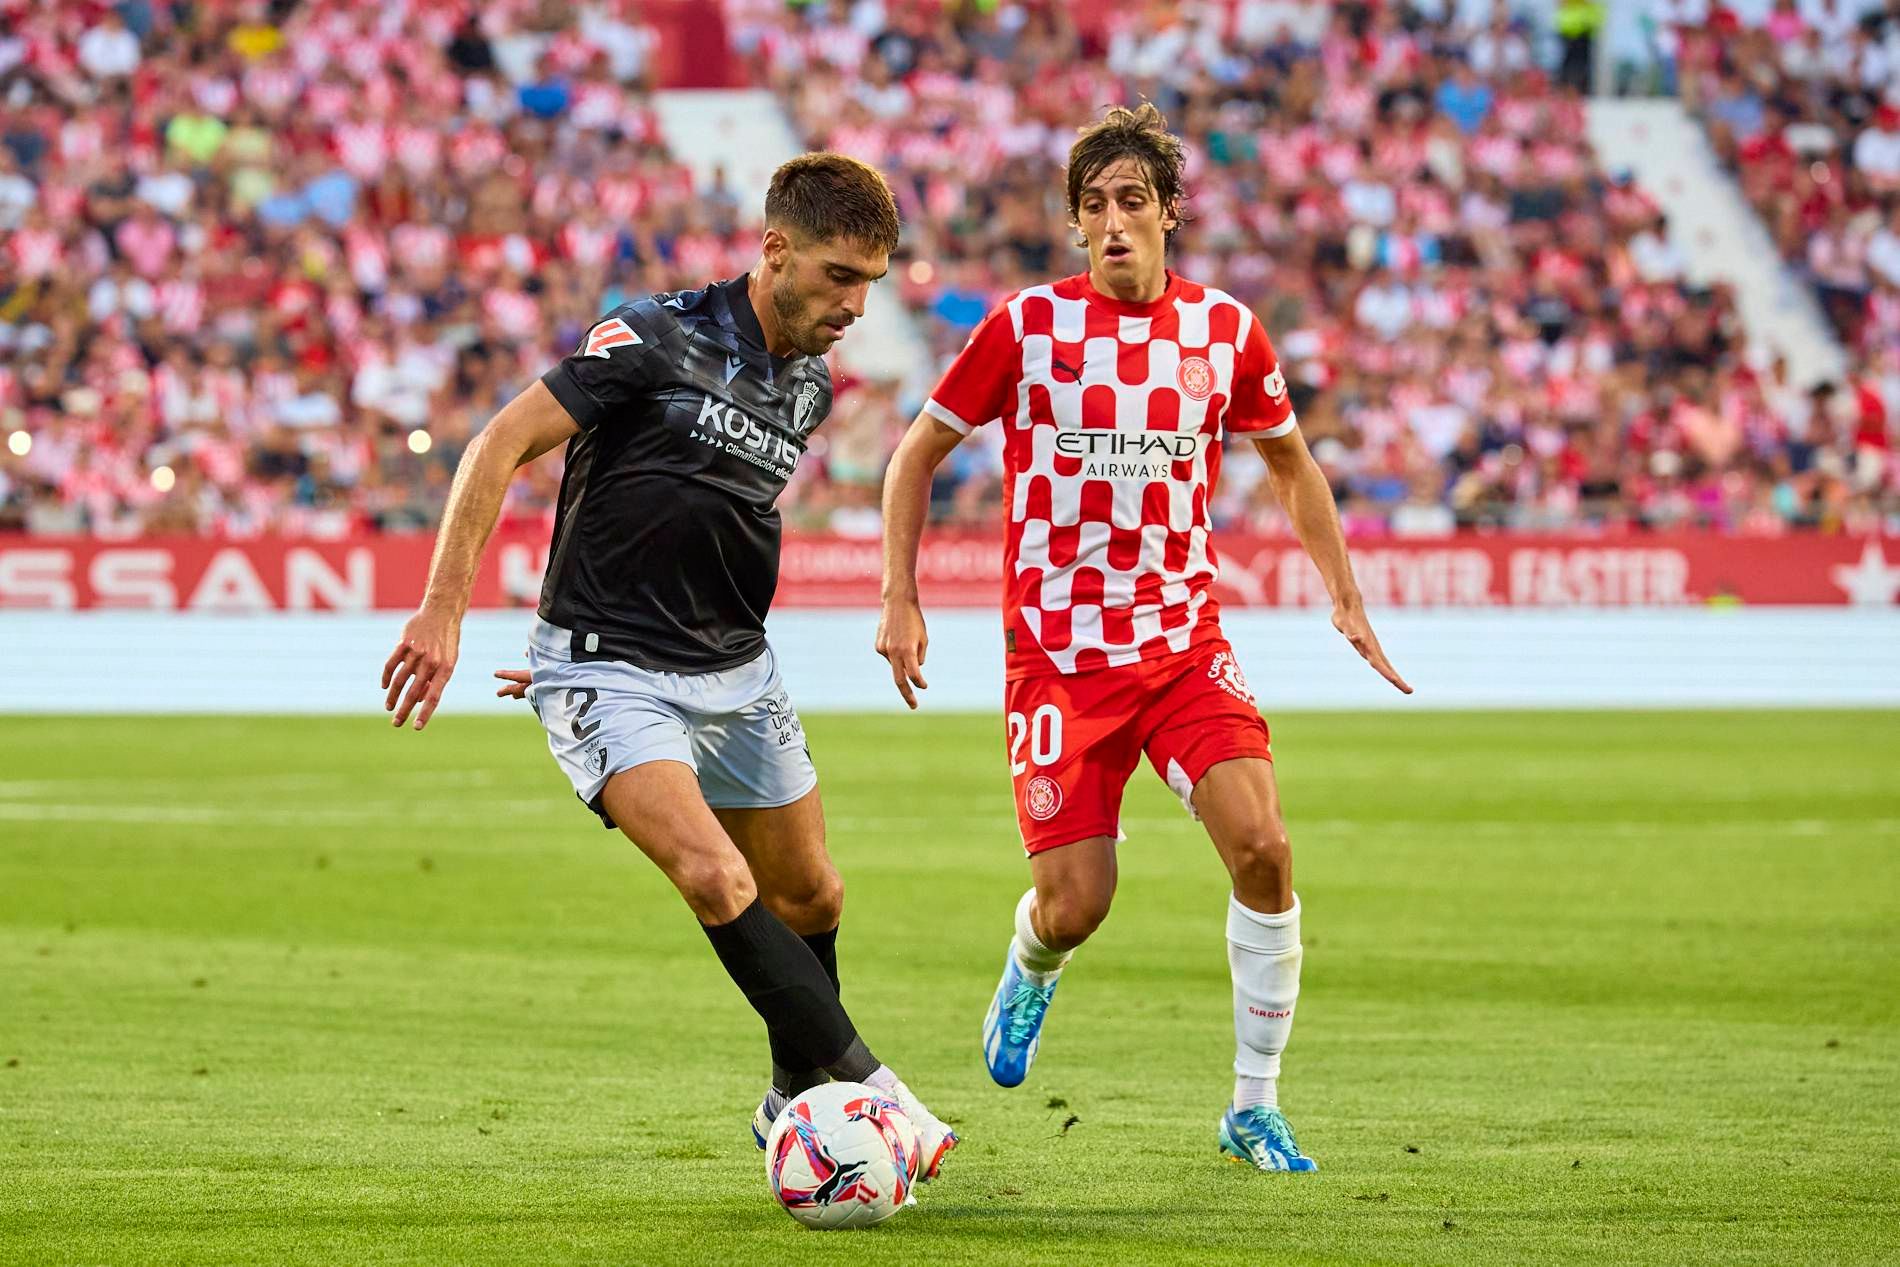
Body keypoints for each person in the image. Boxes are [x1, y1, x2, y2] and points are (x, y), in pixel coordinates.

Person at [381, 153, 957, 1177]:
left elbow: (693, 515)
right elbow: (501, 442)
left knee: (814, 895)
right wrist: (452, 611)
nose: (855, 304)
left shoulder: (810, 387)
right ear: (774, 249)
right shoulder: (655, 334)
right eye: (837, 275)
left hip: (736, 669)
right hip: (613, 668)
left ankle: (790, 1095)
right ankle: (874, 1096)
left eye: (871, 281)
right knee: (712, 872)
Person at [875, 105, 1410, 1173]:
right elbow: (916, 453)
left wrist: (1343, 591)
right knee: (1078, 904)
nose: (1112, 221)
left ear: (1169, 211)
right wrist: (900, 593)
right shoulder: (1027, 327)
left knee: (1262, 845)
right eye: (1092, 206)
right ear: (1075, 227)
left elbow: (1291, 463)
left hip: (1180, 644)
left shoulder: (1226, 332)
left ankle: (1251, 1103)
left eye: (1131, 200)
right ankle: (1031, 963)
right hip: (1060, 660)